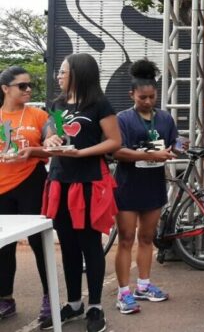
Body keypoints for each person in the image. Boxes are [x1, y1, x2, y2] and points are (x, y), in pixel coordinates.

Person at [40, 53, 121, 332]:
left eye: (63, 72)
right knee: (68, 245)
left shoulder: (99, 103)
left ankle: (96, 306)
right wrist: (50, 136)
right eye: (59, 73)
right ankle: (74, 303)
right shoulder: (58, 103)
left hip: (88, 182)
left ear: (78, 73)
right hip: (60, 180)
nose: (59, 76)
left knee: (89, 244)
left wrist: (83, 152)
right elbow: (53, 130)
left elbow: (114, 141)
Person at [112, 60, 178, 315]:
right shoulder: (123, 118)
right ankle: (123, 292)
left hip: (153, 185)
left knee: (147, 237)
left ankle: (144, 285)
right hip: (127, 185)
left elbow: (173, 142)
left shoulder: (165, 118)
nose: (148, 101)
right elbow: (117, 151)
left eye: (152, 97)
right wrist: (148, 156)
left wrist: (176, 149)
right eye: (142, 97)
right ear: (132, 95)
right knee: (127, 238)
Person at [0, 67, 51, 324]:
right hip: (1, 189)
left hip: (32, 183)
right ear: (5, 88)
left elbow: (53, 143)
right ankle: (5, 299)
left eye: (30, 85)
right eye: (22, 86)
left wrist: (38, 149)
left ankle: (49, 297)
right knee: (3, 247)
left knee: (39, 243)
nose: (28, 90)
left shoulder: (40, 115)